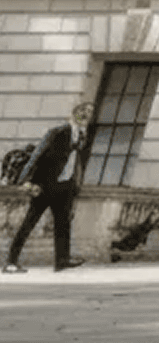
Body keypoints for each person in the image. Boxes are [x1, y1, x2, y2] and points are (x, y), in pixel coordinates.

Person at [4, 101, 92, 274]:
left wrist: (75, 187)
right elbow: (37, 155)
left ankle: (62, 260)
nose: (88, 115)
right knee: (28, 223)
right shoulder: (58, 132)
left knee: (63, 224)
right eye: (85, 111)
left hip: (65, 187)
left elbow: (77, 163)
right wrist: (26, 181)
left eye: (90, 112)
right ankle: (11, 262)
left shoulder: (82, 136)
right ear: (76, 113)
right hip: (45, 186)